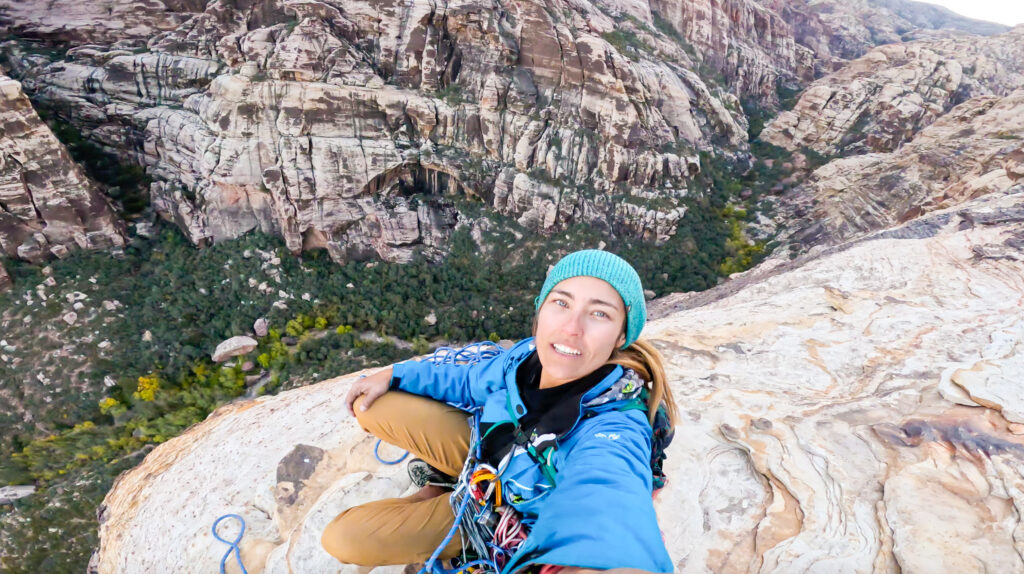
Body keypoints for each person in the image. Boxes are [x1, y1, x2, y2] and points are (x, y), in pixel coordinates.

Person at [322, 249, 677, 573]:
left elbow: (608, 489)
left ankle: (444, 516)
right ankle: (441, 484)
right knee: (373, 405)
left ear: (620, 336)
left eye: (599, 313)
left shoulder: (613, 422)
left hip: (498, 512)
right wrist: (396, 374)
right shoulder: (523, 361)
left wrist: (606, 562)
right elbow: (467, 380)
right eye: (562, 303)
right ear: (540, 309)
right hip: (488, 458)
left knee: (341, 540)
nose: (571, 328)